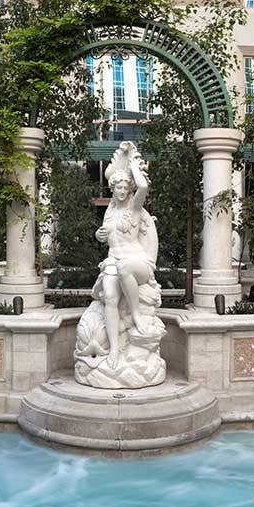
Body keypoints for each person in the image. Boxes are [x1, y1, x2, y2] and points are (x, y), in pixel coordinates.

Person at [95, 141, 159, 362]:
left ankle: (137, 315)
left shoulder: (135, 207)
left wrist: (132, 165)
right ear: (112, 189)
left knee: (123, 268)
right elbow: (109, 237)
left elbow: (143, 187)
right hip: (114, 258)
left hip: (137, 261)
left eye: (125, 188)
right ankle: (114, 349)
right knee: (110, 297)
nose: (122, 191)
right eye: (118, 188)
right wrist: (99, 235)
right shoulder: (110, 211)